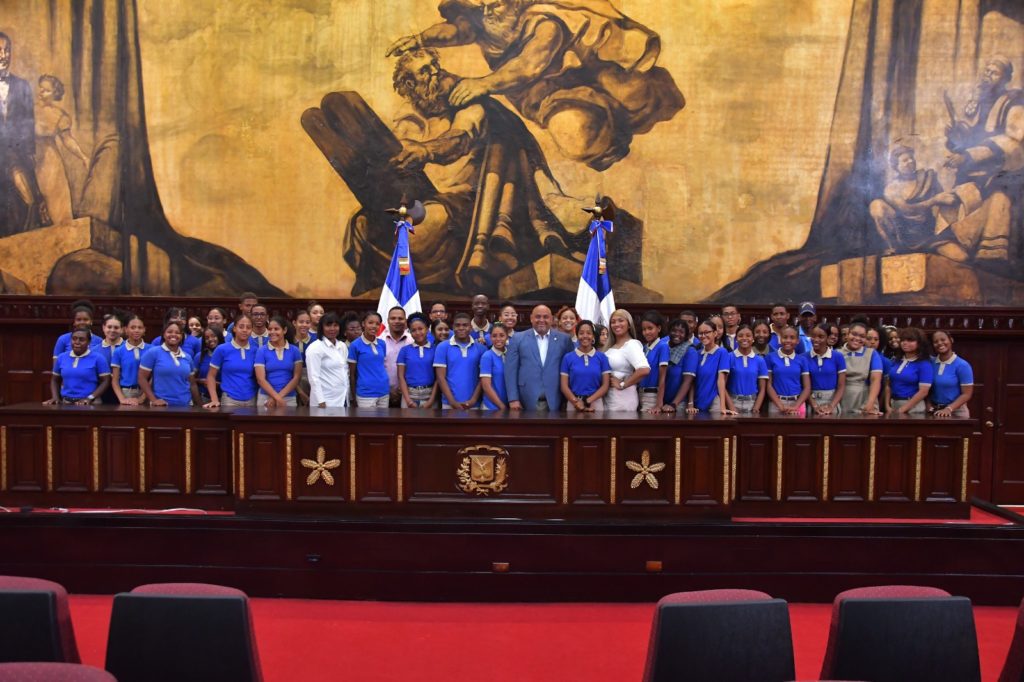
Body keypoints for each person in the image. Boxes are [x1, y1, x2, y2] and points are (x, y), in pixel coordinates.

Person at [0, 33, 49, 234]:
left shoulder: (22, 86)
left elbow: (28, 123)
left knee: (25, 198)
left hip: (14, 152)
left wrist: (29, 154)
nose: (3, 55)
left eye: (7, 50)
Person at [869, 145, 954, 254]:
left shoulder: (927, 178)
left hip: (928, 232)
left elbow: (944, 200)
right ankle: (892, 248)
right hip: (905, 236)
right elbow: (907, 210)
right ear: (896, 166)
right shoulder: (891, 188)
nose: (910, 162)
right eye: (905, 160)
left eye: (911, 158)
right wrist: (934, 200)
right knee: (876, 205)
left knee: (962, 257)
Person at [34, 74, 89, 226]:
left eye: (46, 90)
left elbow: (67, 140)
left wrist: (83, 157)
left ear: (55, 94)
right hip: (30, 160)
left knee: (56, 207)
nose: (40, 92)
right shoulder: (29, 109)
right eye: (40, 88)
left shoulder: (59, 116)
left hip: (49, 164)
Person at [505, 305, 575, 410]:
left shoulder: (564, 339)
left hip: (556, 398)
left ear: (551, 319)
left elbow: (570, 369)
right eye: (538, 317)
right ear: (531, 318)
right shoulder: (517, 338)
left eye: (545, 317)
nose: (541, 320)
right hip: (525, 398)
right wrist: (513, 398)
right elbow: (510, 371)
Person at [138, 321, 200, 407]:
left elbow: (192, 384)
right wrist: (154, 400)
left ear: (182, 336)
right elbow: (142, 378)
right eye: (169, 332)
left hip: (185, 405)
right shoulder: (153, 352)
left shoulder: (187, 357)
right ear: (163, 334)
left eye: (177, 333)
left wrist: (199, 405)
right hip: (162, 406)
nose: (173, 335)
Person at [204, 314, 258, 408]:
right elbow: (211, 376)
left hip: (252, 400)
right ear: (234, 328)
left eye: (248, 327)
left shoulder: (256, 350)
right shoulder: (222, 349)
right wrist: (215, 400)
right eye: (241, 327)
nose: (245, 330)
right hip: (229, 400)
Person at [44, 328, 110, 405]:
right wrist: (55, 397)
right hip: (66, 402)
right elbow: (55, 380)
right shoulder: (62, 357)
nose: (77, 342)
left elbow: (106, 381)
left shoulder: (98, 358)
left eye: (81, 340)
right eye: (74, 339)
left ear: (89, 342)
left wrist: (90, 398)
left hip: (90, 403)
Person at [600, 309, 649, 412]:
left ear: (629, 324)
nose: (616, 324)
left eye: (620, 320)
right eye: (613, 322)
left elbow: (644, 369)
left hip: (623, 398)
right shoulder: (609, 347)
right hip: (609, 397)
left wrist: (622, 384)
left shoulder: (631, 344)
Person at [434, 312, 485, 410]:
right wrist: (452, 402)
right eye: (457, 325)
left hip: (474, 404)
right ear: (452, 327)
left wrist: (473, 400)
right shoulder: (442, 347)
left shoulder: (481, 349)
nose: (461, 328)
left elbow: (482, 378)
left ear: (471, 327)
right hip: (449, 404)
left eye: (465, 325)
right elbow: (440, 377)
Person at [684, 320, 733, 415]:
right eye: (700, 333)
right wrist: (690, 403)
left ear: (715, 333)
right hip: (697, 400)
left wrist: (722, 406)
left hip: (713, 400)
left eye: (707, 332)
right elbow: (691, 381)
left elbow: (721, 380)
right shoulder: (697, 354)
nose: (703, 336)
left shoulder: (722, 352)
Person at [560, 319, 610, 412]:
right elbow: (564, 386)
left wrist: (587, 401)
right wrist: (576, 402)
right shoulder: (568, 357)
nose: (585, 336)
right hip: (573, 403)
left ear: (593, 336)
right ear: (577, 336)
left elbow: (605, 385)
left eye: (589, 333)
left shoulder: (602, 357)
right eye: (581, 333)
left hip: (596, 404)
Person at [255, 316, 303, 408]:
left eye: (276, 329)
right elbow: (260, 379)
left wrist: (278, 397)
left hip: (289, 397)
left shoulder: (295, 350)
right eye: (270, 329)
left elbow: (296, 378)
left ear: (284, 330)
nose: (272, 332)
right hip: (266, 397)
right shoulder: (261, 351)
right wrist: (276, 397)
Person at [306, 312, 350, 408]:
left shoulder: (342, 346)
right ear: (321, 327)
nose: (332, 329)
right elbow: (314, 378)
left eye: (335, 325)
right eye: (328, 325)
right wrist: (321, 401)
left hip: (343, 398)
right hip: (325, 401)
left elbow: (345, 372)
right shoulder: (315, 348)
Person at [839, 321, 883, 415]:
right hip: (842, 396)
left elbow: (875, 380)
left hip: (865, 397)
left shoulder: (872, 354)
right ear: (847, 334)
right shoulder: (837, 353)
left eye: (862, 336)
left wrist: (870, 403)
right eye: (854, 334)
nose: (857, 338)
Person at [765, 325, 811, 416]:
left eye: (792, 338)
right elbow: (768, 385)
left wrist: (796, 406)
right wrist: (780, 405)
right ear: (780, 339)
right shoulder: (770, 357)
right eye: (785, 337)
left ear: (798, 341)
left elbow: (807, 387)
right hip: (776, 404)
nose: (788, 341)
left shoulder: (802, 360)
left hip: (798, 403)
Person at [348, 311, 390, 408]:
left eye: (377, 324)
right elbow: (352, 374)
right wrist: (353, 397)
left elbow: (380, 366)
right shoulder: (355, 345)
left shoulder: (382, 343)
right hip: (365, 394)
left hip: (383, 391)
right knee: (368, 423)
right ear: (363, 324)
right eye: (370, 323)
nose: (374, 326)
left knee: (383, 422)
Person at [888, 327, 933, 415]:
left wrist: (903, 409)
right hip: (894, 404)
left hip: (913, 408)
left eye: (910, 340)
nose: (905, 343)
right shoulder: (896, 360)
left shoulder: (924, 364)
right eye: (903, 340)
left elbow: (923, 392)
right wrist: (887, 406)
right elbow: (888, 384)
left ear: (919, 343)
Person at [929, 330, 974, 418]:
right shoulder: (931, 363)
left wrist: (949, 409)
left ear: (951, 340)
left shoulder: (962, 365)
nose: (939, 343)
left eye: (943, 340)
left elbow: (967, 394)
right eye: (935, 341)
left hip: (956, 411)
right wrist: (928, 404)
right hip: (934, 410)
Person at [725, 324, 768, 414]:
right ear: (736, 339)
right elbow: (723, 386)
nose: (744, 338)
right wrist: (731, 406)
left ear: (753, 339)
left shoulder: (760, 360)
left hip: (752, 403)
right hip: (733, 401)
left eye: (748, 336)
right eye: (740, 336)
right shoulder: (729, 357)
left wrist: (756, 407)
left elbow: (762, 388)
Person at [806, 323, 847, 416]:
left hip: (832, 402)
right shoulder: (803, 358)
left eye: (821, 337)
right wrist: (814, 405)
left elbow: (841, 385)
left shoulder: (838, 356)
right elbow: (804, 386)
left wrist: (831, 406)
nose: (816, 340)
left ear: (828, 338)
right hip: (811, 403)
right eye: (813, 336)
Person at [398, 313, 437, 408]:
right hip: (409, 395)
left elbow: (438, 378)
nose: (418, 332)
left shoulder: (436, 349)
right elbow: (400, 376)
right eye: (413, 330)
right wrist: (408, 401)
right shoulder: (405, 350)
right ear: (409, 332)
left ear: (427, 329)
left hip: (430, 395)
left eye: (421, 329)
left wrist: (431, 400)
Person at [659, 318, 695, 413]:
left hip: (678, 404)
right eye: (674, 330)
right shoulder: (663, 347)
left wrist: (674, 404)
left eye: (681, 332)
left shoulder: (690, 351)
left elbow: (688, 382)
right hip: (659, 402)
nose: (677, 334)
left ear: (686, 335)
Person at [111, 315, 148, 406]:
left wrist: (143, 397)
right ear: (126, 330)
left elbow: (155, 377)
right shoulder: (118, 351)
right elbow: (115, 380)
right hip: (127, 392)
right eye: (133, 327)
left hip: (147, 392)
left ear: (144, 330)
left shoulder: (151, 349)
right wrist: (122, 399)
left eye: (140, 328)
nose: (136, 330)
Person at [638, 310, 668, 412]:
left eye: (650, 328)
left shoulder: (662, 346)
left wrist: (659, 404)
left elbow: (662, 377)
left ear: (658, 328)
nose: (646, 332)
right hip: (640, 394)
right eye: (644, 329)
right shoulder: (644, 347)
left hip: (652, 395)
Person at [383, 306, 412, 406]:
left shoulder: (413, 341)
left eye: (400, 318)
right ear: (388, 320)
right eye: (393, 318)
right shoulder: (379, 341)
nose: (397, 321)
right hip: (383, 394)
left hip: (409, 394)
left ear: (406, 320)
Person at [479, 322, 510, 410]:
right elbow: (486, 386)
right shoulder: (487, 356)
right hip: (491, 407)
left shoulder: (511, 354)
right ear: (490, 337)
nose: (498, 339)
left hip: (509, 405)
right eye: (494, 336)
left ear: (507, 336)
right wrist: (502, 406)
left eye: (501, 335)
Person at [865, 326, 893, 413]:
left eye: (876, 339)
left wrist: (880, 406)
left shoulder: (886, 362)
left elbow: (886, 387)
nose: (872, 342)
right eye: (869, 339)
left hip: (875, 400)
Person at [292, 309, 317, 405]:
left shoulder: (316, 341)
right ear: (294, 323)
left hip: (312, 380)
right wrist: (300, 392)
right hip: (292, 381)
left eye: (307, 322)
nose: (304, 325)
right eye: (301, 322)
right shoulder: (289, 341)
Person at [194, 326, 223, 403]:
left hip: (225, 397)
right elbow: (191, 380)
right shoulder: (199, 357)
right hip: (204, 397)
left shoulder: (227, 355)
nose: (210, 339)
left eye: (213, 336)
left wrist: (217, 384)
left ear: (219, 337)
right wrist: (202, 381)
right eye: (207, 338)